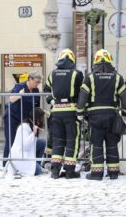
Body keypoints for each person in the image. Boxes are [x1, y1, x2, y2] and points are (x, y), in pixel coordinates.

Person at [77, 49, 126, 181]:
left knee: (97, 144)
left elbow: (82, 98)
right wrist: (125, 114)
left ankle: (97, 173)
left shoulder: (90, 77)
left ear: (95, 61)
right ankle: (113, 173)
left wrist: (80, 114)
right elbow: (125, 99)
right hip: (112, 115)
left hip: (95, 117)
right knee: (112, 144)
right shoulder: (117, 77)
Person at [44, 48, 83, 179]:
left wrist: (52, 101)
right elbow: (82, 93)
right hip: (71, 112)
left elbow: (46, 91)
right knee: (72, 141)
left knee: (57, 141)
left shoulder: (52, 74)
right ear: (72, 59)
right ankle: (69, 171)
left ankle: (55, 170)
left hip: (56, 112)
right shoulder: (77, 74)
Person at [3, 71, 42, 167]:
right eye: (36, 82)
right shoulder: (20, 86)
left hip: (25, 120)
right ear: (30, 79)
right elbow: (11, 99)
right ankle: (6, 164)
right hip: (12, 117)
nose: (37, 84)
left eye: (39, 82)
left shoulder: (36, 91)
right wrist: (20, 94)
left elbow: (36, 107)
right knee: (11, 140)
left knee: (25, 141)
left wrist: (41, 113)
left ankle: (21, 163)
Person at [7, 107, 46, 176]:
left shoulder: (31, 125)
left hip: (27, 154)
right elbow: (25, 146)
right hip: (20, 157)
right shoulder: (24, 127)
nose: (42, 120)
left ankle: (37, 164)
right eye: (41, 118)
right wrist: (33, 133)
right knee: (38, 171)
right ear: (37, 118)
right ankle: (35, 166)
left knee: (41, 142)